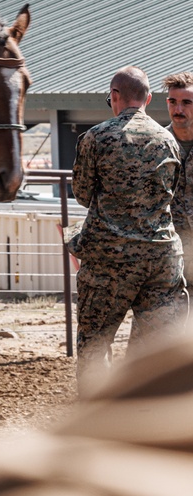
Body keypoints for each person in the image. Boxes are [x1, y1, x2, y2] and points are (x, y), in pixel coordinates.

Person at [70, 64, 187, 385]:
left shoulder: (95, 138)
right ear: (149, 98)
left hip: (110, 260)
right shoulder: (168, 141)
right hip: (161, 260)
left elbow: (81, 194)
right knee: (156, 351)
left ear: (114, 96)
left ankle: (96, 422)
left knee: (95, 346)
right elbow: (170, 194)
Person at [163, 71, 193, 276]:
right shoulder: (156, 145)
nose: (178, 109)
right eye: (173, 102)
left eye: (187, 103)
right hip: (170, 248)